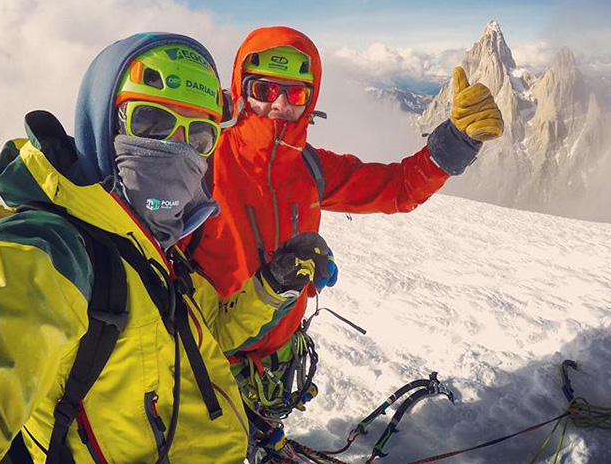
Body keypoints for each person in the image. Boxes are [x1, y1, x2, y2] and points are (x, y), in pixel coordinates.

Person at [0, 32, 333, 464]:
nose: (177, 150)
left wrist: (271, 285)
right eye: (151, 123)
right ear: (102, 125)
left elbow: (209, 331)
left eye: (198, 136)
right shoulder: (59, 247)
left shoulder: (157, 253)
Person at [185, 26, 503, 455]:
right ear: (241, 90)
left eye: (295, 95)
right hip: (207, 361)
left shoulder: (311, 169)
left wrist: (457, 141)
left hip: (277, 360)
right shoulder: (199, 167)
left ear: (310, 101)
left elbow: (396, 188)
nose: (278, 105)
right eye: (264, 89)